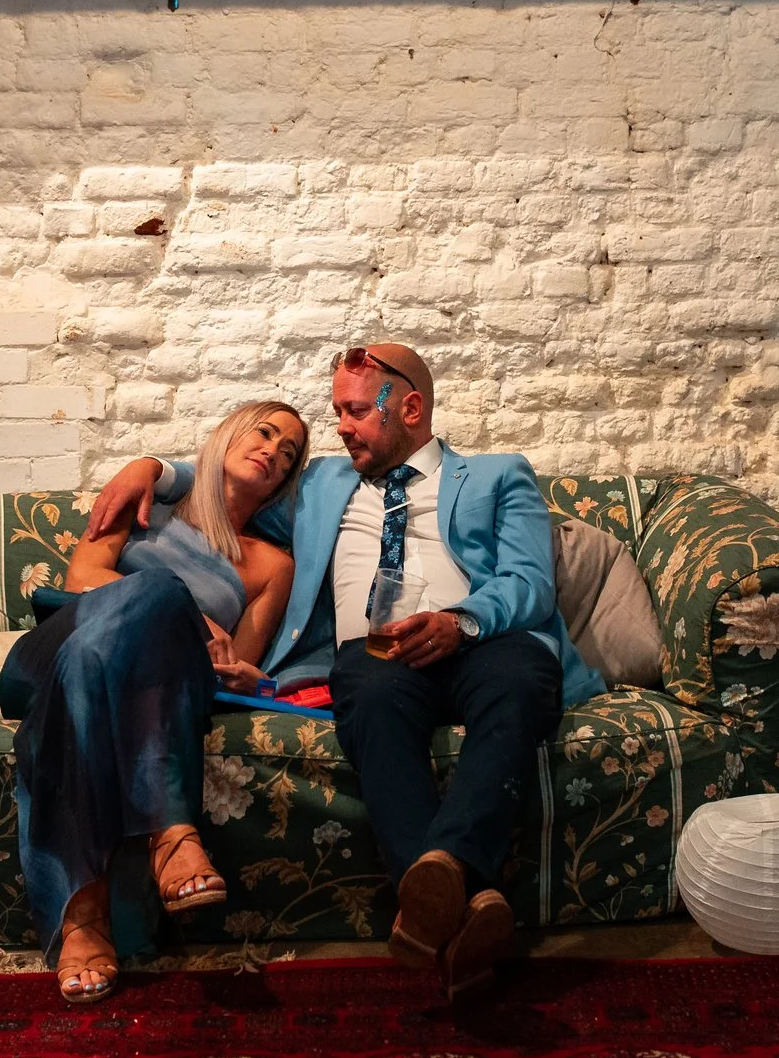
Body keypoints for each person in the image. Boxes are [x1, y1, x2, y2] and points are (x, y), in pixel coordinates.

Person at [86, 344, 604, 998]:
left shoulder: (500, 475)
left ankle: (438, 891)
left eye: (356, 409)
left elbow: (529, 584)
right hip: (379, 654)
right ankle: (463, 903)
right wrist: (152, 469)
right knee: (367, 691)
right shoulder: (325, 485)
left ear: (409, 405)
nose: (341, 425)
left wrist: (459, 621)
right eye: (338, 411)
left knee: (521, 682)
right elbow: (232, 484)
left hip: (484, 639)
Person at [0, 400, 308, 1004]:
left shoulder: (273, 566)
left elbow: (227, 667)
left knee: (97, 664)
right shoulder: (146, 504)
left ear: (286, 483)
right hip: (52, 649)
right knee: (160, 595)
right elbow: (83, 576)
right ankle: (170, 831)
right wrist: (187, 613)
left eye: (289, 454)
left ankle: (84, 914)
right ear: (226, 438)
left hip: (111, 679)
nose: (273, 451)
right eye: (264, 433)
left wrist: (244, 677)